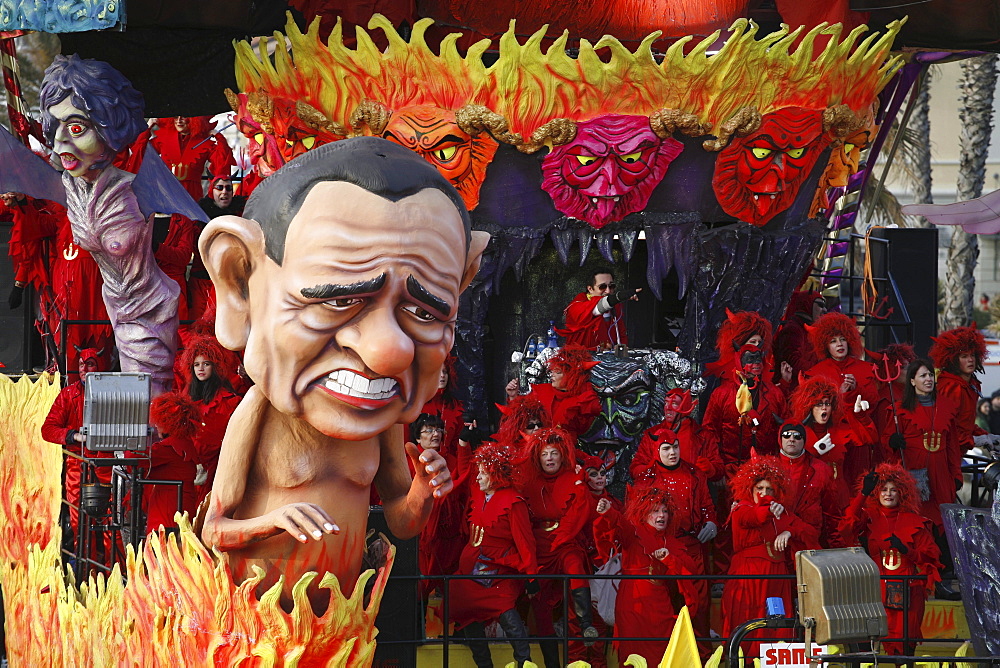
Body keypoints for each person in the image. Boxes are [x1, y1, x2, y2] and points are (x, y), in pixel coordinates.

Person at [198, 137, 489, 611]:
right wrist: (274, 521)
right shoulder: (258, 413)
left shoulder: (382, 420)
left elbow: (400, 521)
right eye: (338, 300)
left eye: (425, 311)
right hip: (260, 626)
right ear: (238, 281)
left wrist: (422, 491)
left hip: (340, 625)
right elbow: (214, 529)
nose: (388, 352)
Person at [40, 55, 180, 395]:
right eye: (56, 127)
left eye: (76, 128)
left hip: (151, 309)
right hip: (114, 305)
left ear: (108, 128)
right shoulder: (71, 187)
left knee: (149, 405)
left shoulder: (134, 187)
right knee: (130, 408)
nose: (61, 144)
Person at [450, 441, 536, 668]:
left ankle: (524, 662)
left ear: (496, 475)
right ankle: (484, 665)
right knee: (463, 605)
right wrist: (463, 444)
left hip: (500, 569)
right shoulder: (478, 495)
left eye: (483, 473)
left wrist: (531, 576)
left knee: (505, 609)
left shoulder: (513, 502)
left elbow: (525, 543)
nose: (478, 478)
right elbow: (465, 469)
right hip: (471, 571)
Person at [840, 465, 941, 655]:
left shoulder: (917, 522)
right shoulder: (870, 517)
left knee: (904, 647)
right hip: (876, 592)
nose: (888, 494)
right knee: (873, 645)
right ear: (877, 493)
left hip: (909, 592)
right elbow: (846, 527)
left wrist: (906, 550)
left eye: (893, 489)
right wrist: (863, 493)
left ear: (902, 492)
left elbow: (929, 559)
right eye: (884, 489)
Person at [721, 457, 817, 657]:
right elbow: (755, 517)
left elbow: (809, 532)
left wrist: (789, 531)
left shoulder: (781, 511)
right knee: (749, 619)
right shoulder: (741, 508)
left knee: (777, 623)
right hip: (749, 574)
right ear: (750, 489)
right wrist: (773, 509)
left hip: (776, 575)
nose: (764, 493)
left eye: (769, 489)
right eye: (759, 488)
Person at [518, 427, 597, 668]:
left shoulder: (573, 480)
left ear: (562, 456)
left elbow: (582, 511)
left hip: (565, 540)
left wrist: (563, 536)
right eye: (544, 454)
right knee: (539, 604)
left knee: (574, 564)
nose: (550, 458)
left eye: (554, 453)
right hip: (539, 546)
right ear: (537, 458)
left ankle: (586, 624)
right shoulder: (528, 483)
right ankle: (552, 664)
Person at [631, 433, 717, 654]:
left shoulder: (694, 473)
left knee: (699, 605)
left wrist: (710, 522)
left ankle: (702, 656)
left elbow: (706, 504)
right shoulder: (646, 478)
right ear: (656, 451)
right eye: (666, 448)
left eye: (676, 447)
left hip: (692, 547)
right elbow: (636, 518)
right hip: (660, 551)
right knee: (665, 606)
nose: (672, 453)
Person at [594, 486, 700, 664]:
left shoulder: (672, 542)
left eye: (665, 511)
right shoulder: (634, 532)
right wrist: (608, 512)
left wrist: (669, 558)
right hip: (632, 601)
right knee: (632, 653)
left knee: (662, 653)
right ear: (643, 513)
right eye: (655, 511)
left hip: (660, 604)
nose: (661, 516)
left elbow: (690, 570)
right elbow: (619, 524)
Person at [40, 348, 113, 533]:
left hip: (108, 462)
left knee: (113, 521)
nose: (84, 369)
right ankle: (85, 563)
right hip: (77, 461)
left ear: (99, 366)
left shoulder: (114, 393)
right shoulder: (68, 395)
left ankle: (112, 562)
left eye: (90, 364)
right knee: (79, 521)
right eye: (81, 364)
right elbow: (47, 430)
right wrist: (74, 436)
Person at [804, 312, 880, 482]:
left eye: (842, 339)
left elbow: (873, 402)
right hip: (831, 437)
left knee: (859, 484)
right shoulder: (816, 373)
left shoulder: (866, 368)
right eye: (833, 341)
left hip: (859, 437)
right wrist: (839, 394)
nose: (839, 344)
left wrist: (855, 389)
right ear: (825, 345)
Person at [788, 377, 877, 504]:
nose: (824, 408)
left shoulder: (839, 429)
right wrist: (814, 452)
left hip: (839, 494)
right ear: (809, 406)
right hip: (811, 495)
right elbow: (791, 466)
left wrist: (861, 416)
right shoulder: (799, 432)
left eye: (827, 403)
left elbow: (870, 439)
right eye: (819, 404)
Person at [180, 335, 242, 505]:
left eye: (206, 364)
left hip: (219, 466)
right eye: (196, 364)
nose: (200, 369)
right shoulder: (187, 399)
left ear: (215, 367)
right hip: (192, 465)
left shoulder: (229, 401)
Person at [411, 413, 468, 593]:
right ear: (418, 436)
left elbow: (464, 478)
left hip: (449, 532)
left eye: (438, 430)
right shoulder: (409, 461)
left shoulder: (449, 459)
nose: (435, 434)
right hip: (421, 532)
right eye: (429, 430)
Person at [632, 387, 722, 482]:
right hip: (661, 492)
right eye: (666, 402)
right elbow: (635, 469)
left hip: (694, 492)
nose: (667, 408)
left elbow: (719, 469)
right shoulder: (652, 434)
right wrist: (652, 469)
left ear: (686, 406)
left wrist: (711, 469)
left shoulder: (704, 436)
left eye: (674, 403)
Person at [773, 421, 840, 548]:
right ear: (780, 438)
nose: (791, 439)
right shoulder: (768, 467)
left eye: (797, 436)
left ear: (804, 440)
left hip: (808, 540)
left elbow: (832, 512)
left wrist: (836, 546)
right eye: (787, 435)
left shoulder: (822, 469)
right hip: (776, 541)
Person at [142, 391, 201, 533]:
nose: (156, 426)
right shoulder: (184, 443)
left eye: (160, 422)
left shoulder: (169, 447)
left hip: (168, 511)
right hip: (179, 506)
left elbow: (134, 458)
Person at [929, 325, 988, 453]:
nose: (970, 360)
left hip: (958, 452)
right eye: (964, 356)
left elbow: (964, 424)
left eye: (972, 355)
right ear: (953, 359)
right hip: (944, 453)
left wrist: (986, 435)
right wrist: (974, 440)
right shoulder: (950, 386)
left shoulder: (972, 384)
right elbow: (946, 428)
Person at [522, 345, 602, 440]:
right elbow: (520, 415)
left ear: (571, 376)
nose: (552, 375)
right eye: (552, 371)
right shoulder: (540, 392)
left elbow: (583, 427)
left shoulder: (585, 399)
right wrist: (513, 396)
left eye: (558, 372)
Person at [151, 116, 235, 200]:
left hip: (192, 194)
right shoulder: (164, 138)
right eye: (176, 117)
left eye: (184, 117)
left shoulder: (203, 142)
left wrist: (219, 138)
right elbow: (141, 152)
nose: (179, 121)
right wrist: (148, 128)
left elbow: (222, 160)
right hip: (167, 191)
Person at [557, 269, 640, 350]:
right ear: (590, 289)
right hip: (581, 360)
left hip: (608, 361)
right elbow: (598, 308)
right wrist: (620, 297)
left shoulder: (616, 306)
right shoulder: (577, 306)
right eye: (602, 287)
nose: (608, 291)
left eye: (611, 286)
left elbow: (621, 336)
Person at [773, 290, 827, 389]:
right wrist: (823, 368)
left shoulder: (804, 329)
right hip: (791, 389)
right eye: (820, 304)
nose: (825, 310)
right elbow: (793, 363)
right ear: (807, 304)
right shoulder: (793, 329)